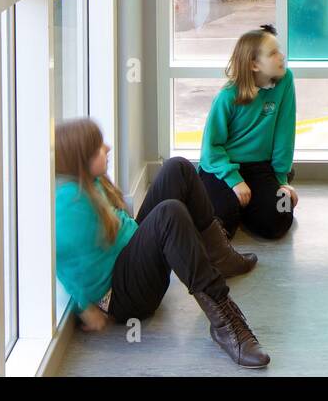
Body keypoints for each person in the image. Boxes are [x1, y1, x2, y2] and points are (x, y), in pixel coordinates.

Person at [54, 117, 269, 367]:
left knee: (178, 168)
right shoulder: (68, 202)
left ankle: (221, 259)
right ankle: (226, 324)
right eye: (98, 147)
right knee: (169, 214)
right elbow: (58, 258)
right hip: (124, 295)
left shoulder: (90, 181)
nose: (108, 148)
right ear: (80, 160)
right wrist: (84, 306)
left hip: (133, 257)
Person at [197, 25, 299, 240]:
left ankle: (260, 196)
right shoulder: (228, 96)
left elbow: (284, 136)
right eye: (273, 53)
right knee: (220, 225)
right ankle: (228, 201)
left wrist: (281, 181)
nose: (282, 56)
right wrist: (235, 181)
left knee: (280, 220)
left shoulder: (285, 80)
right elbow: (210, 148)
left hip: (261, 167)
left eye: (279, 50)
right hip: (222, 167)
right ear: (254, 64)